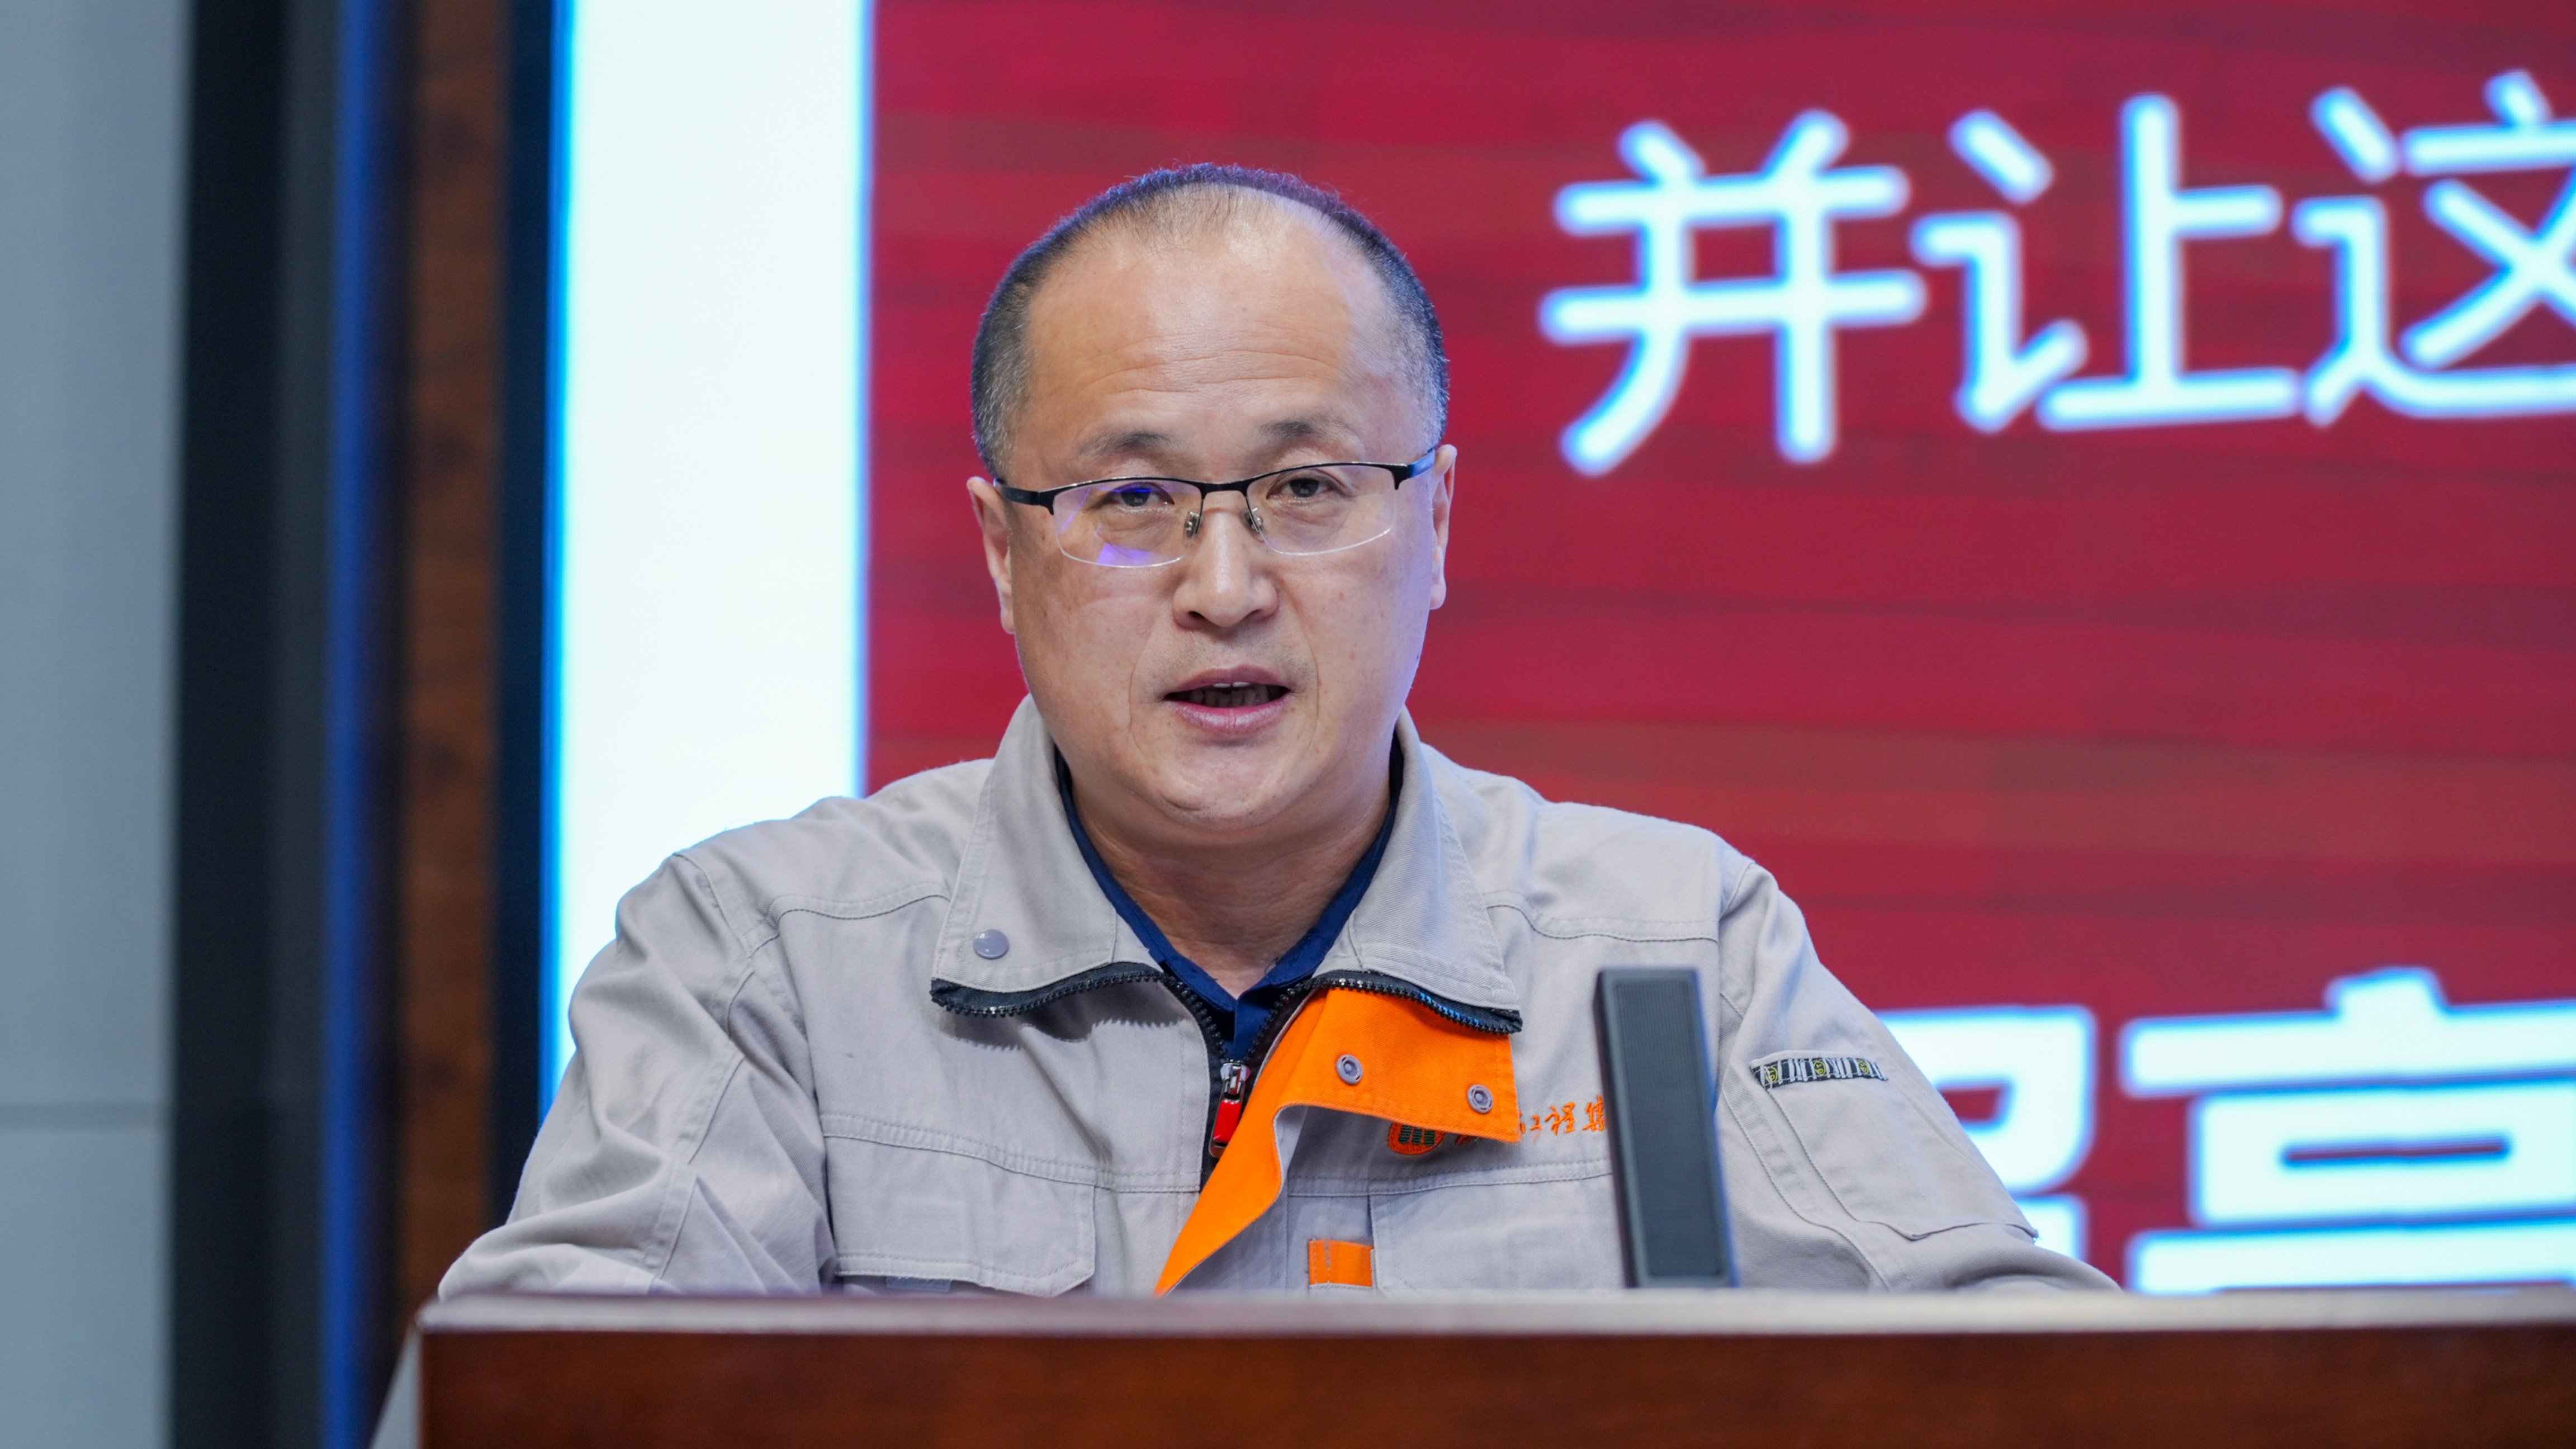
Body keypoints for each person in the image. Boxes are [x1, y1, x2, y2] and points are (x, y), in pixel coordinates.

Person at [443, 165, 2112, 1297]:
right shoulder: (765, 963)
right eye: (1132, 502)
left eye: (1309, 490)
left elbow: (2033, 1389)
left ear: (1436, 523)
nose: (1225, 587)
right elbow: (550, 1409)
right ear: (1003, 553)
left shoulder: (1675, 951)